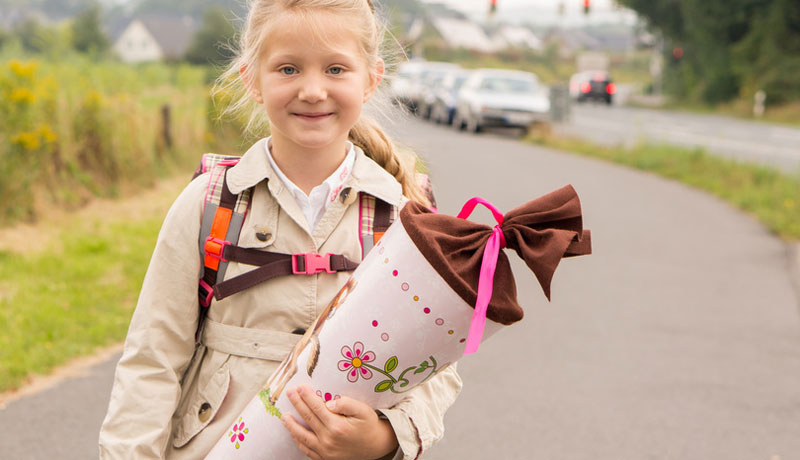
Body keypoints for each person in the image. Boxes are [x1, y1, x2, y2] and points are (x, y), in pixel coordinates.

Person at [98, 0, 461, 459]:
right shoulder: (210, 203)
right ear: (252, 78)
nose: (312, 90)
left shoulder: (405, 220)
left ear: (371, 79)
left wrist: (388, 435)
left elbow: (436, 367)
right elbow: (152, 360)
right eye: (288, 69)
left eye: (335, 69)